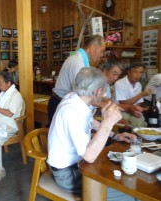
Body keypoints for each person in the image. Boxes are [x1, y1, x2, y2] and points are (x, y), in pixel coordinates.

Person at [47, 68, 136, 200]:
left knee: (115, 174)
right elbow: (89, 157)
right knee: (125, 191)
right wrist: (107, 123)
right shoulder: (72, 112)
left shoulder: (74, 98)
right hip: (68, 173)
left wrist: (115, 135)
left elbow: (91, 121)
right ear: (97, 91)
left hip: (75, 165)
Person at [47, 35, 106, 126]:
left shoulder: (80, 60)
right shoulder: (77, 62)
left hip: (64, 102)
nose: (102, 55)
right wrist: (102, 104)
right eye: (101, 51)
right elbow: (81, 94)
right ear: (93, 47)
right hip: (60, 102)